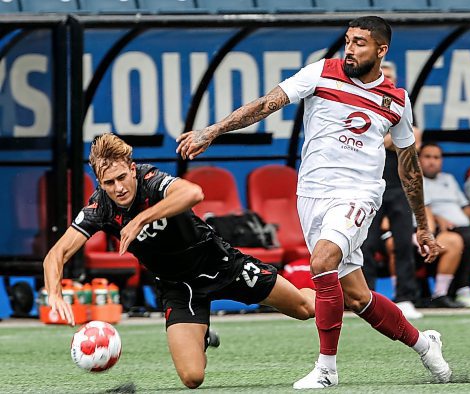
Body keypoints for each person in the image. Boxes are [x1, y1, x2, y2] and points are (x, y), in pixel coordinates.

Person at [177, 16, 451, 388]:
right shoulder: (321, 72)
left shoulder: (397, 102)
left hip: (357, 194)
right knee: (356, 297)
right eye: (348, 41)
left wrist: (422, 225)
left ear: (381, 50)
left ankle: (326, 369)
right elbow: (266, 104)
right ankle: (425, 344)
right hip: (311, 195)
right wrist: (213, 130)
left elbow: (409, 166)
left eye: (359, 43)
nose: (350, 49)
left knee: (321, 260)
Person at [43, 133, 316, 389]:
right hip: (179, 288)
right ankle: (202, 336)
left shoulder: (151, 179)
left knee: (305, 309)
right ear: (100, 183)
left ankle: (335, 290)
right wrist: (54, 293)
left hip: (221, 265)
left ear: (132, 167)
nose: (118, 188)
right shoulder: (100, 207)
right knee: (192, 378)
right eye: (109, 183)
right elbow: (56, 254)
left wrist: (139, 219)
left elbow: (193, 194)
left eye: (122, 177)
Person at [361, 60, 422, 320]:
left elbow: (415, 138)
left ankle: (406, 296)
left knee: (403, 243)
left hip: (399, 187)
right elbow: (368, 142)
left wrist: (388, 141)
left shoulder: (400, 102)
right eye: (380, 72)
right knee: (366, 243)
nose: (384, 77)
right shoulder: (363, 102)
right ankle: (366, 295)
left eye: (388, 74)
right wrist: (394, 140)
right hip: (371, 184)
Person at [419, 142, 470, 307]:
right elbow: (420, 208)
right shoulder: (416, 180)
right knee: (468, 237)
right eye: (427, 157)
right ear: (418, 159)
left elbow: (465, 206)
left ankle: (463, 288)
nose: (432, 161)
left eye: (436, 157)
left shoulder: (448, 179)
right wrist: (437, 217)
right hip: (440, 227)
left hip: (464, 225)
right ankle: (462, 289)